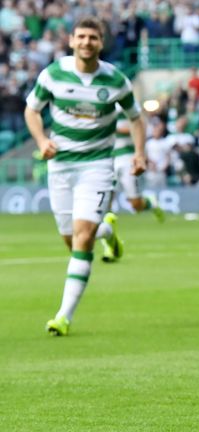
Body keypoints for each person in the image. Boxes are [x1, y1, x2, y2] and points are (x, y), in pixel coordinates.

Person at [24, 17, 146, 335]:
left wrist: (139, 153)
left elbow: (136, 118)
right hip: (60, 166)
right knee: (72, 239)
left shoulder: (116, 80)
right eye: (81, 37)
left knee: (81, 238)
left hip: (97, 166)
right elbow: (31, 110)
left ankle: (63, 316)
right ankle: (108, 232)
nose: (87, 42)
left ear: (101, 42)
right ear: (71, 41)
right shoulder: (53, 74)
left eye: (93, 37)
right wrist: (41, 141)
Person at [102, 109, 165, 262]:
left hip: (127, 158)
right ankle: (110, 247)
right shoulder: (101, 104)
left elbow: (139, 127)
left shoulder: (126, 105)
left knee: (136, 205)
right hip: (107, 158)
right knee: (105, 205)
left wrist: (112, 128)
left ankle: (149, 202)